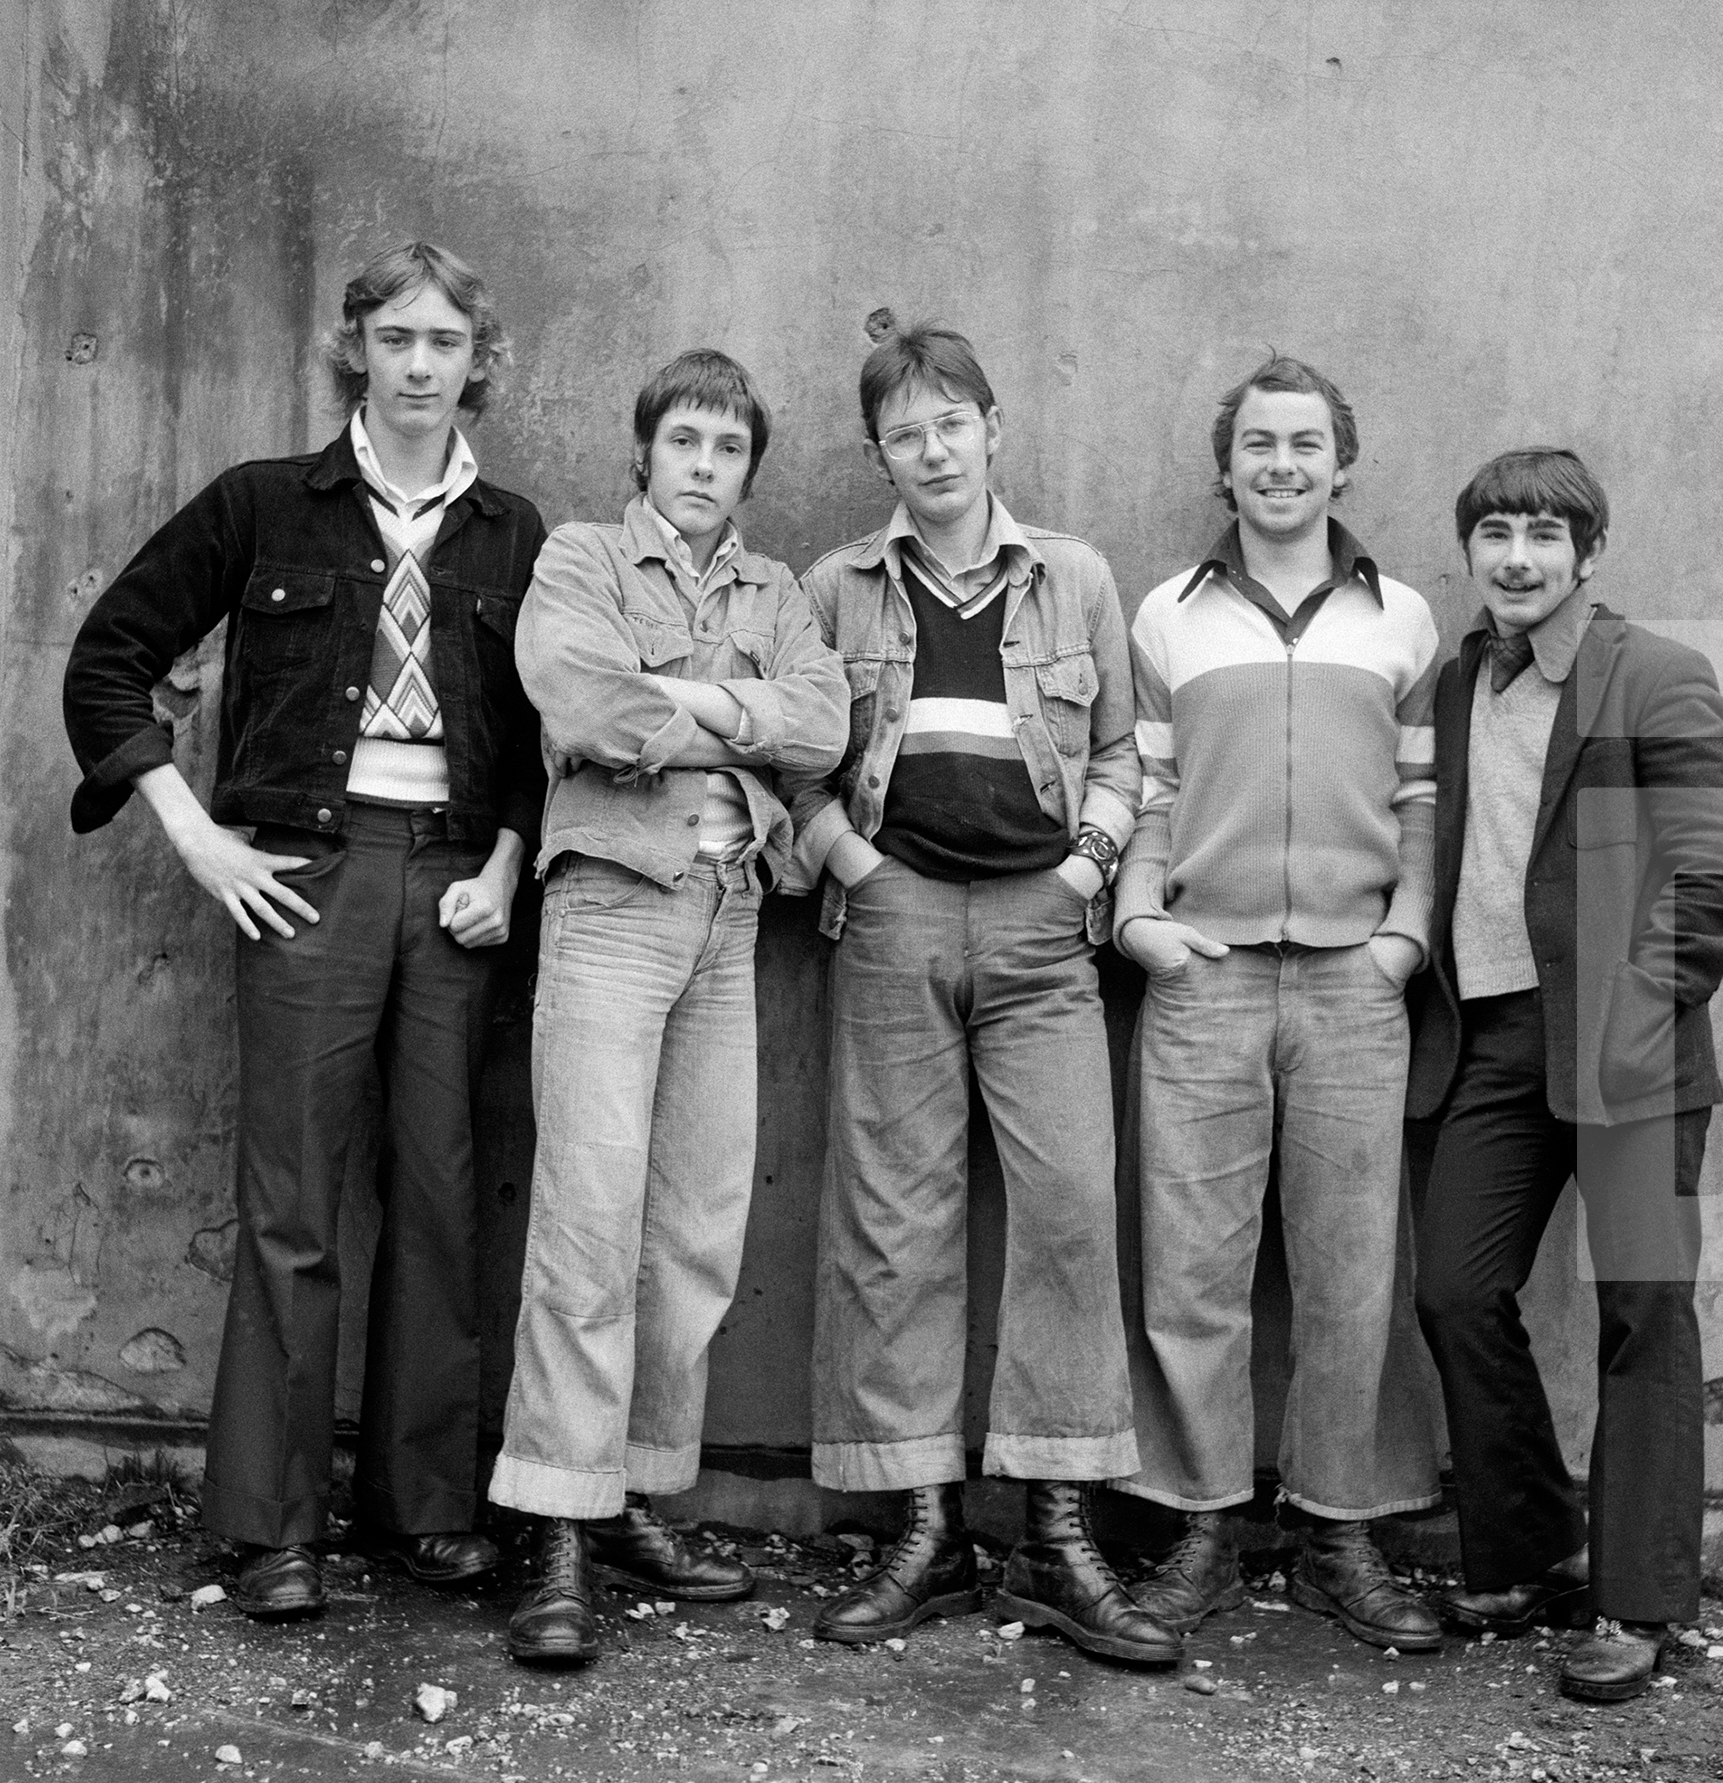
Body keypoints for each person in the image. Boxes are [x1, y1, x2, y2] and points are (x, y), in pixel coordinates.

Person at [59, 240, 546, 1620]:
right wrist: (196, 834)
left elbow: (539, 733)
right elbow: (109, 661)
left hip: (454, 886)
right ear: (357, 353)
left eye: (444, 343)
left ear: (476, 364)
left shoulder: (516, 534)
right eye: (395, 339)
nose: (418, 365)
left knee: (444, 1200)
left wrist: (510, 864)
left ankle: (427, 1512)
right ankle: (275, 1527)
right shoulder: (265, 506)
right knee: (294, 1204)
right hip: (305, 881)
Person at [789, 321, 1173, 1666]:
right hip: (890, 925)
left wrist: (1084, 873)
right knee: (897, 1223)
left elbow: (1127, 752)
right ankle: (922, 1532)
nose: (933, 449)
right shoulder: (837, 585)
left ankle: (1060, 1537)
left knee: (1070, 1211)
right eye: (905, 432)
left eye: (953, 422)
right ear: (880, 452)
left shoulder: (1073, 577)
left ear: (993, 428)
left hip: (1039, 935)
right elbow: (796, 755)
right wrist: (849, 859)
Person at [487, 348, 848, 1665]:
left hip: (731, 907)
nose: (704, 466)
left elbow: (825, 725)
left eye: (729, 448)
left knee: (692, 1227)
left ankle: (633, 1491)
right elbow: (577, 701)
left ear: (752, 467)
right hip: (608, 905)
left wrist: (683, 708)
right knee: (585, 1225)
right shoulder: (581, 558)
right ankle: (557, 1536)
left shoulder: (773, 589)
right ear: (644, 452)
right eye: (684, 441)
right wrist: (740, 717)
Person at [1407, 447, 1723, 1703]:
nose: (1517, 557)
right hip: (1488, 1043)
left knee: (1642, 1316)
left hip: (1626, 1046)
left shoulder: (1651, 672)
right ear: (1471, 553)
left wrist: (1637, 1008)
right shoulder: (1459, 681)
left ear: (1587, 553)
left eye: (1544, 537)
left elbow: (1716, 871)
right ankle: (1529, 1543)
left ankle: (1634, 1600)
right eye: (1495, 533)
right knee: (1453, 1289)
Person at [1110, 356, 1448, 1653]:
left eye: (1306, 444)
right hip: (1202, 974)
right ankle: (1198, 1526)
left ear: (1341, 462)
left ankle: (1335, 1535)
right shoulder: (1169, 617)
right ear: (1229, 463)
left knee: (1351, 1273)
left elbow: (1421, 803)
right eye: (1260, 444)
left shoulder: (1400, 618)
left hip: (1356, 985)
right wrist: (1141, 920)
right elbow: (1146, 788)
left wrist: (1404, 940)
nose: (1283, 464)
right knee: (1191, 1268)